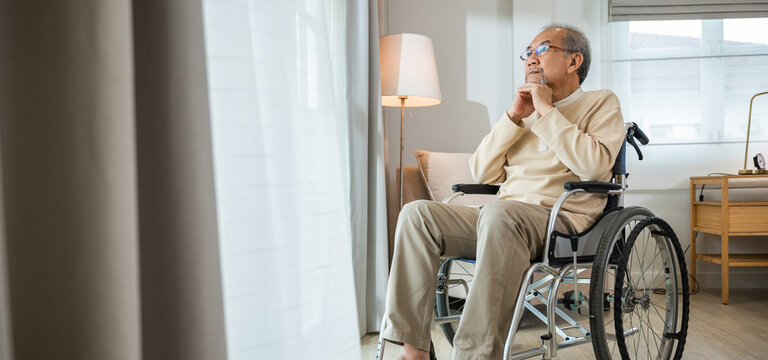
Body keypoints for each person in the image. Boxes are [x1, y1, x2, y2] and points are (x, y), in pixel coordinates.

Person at [380, 24, 626, 360]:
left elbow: (595, 166)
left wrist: (547, 112)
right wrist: (513, 117)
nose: (530, 60)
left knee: (500, 213)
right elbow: (481, 172)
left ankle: (475, 356)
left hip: (561, 222)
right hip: (502, 220)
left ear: (574, 61)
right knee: (417, 214)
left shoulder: (601, 102)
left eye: (541, 49)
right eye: (527, 52)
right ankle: (414, 352)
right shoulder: (522, 113)